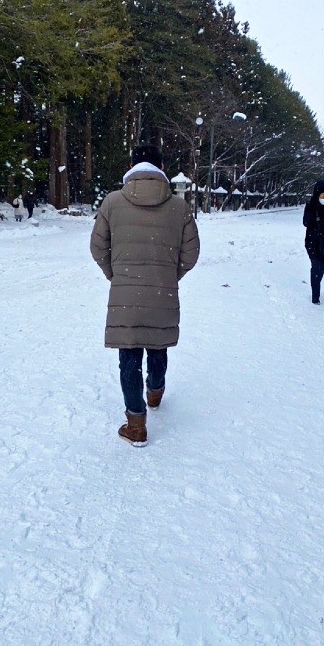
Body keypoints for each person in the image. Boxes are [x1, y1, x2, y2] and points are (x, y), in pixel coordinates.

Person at [90, 143, 200, 447]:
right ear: (161, 168)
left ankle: (136, 425)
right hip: (162, 291)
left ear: (132, 166)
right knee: (157, 344)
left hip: (125, 292)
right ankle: (155, 390)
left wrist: (115, 273)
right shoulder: (179, 207)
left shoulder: (113, 202)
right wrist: (168, 274)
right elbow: (191, 253)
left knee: (129, 355)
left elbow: (97, 247)